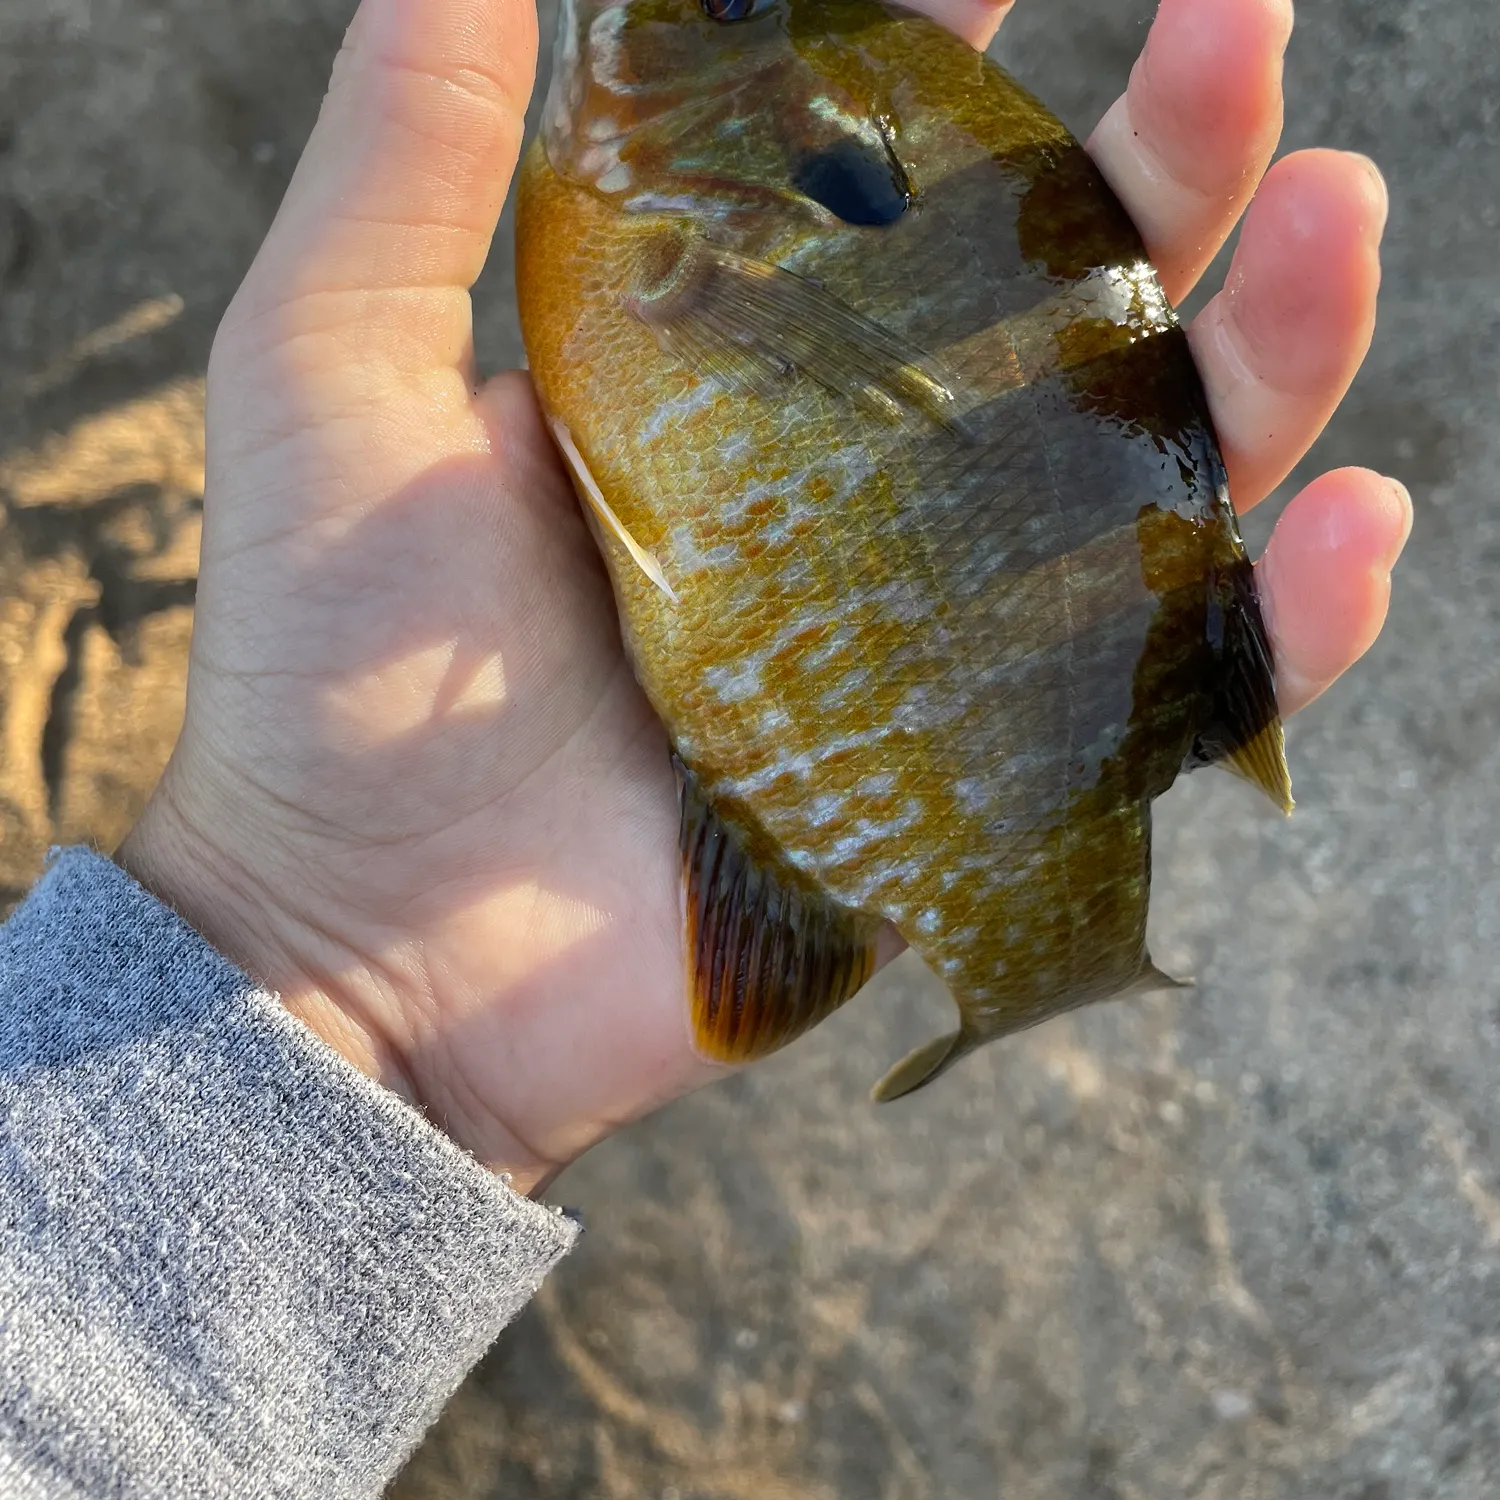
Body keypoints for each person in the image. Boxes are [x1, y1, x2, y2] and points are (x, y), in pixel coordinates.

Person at [0, 0, 1410, 1493]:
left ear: (797, 129)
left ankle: (1032, 925)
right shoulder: (702, 196)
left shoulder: (698, 197)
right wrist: (320, 970)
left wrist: (301, 942)